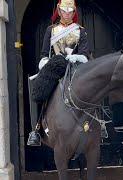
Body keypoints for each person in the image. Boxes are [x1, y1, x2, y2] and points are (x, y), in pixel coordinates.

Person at [27, 0, 89, 146]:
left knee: (96, 83)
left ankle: (100, 125)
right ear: (59, 11)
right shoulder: (51, 29)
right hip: (55, 68)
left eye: (70, 11)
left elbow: (85, 54)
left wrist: (76, 57)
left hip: (75, 68)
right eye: (64, 11)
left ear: (74, 12)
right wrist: (46, 63)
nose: (67, 14)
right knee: (38, 89)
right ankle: (35, 130)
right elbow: (44, 53)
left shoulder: (81, 30)